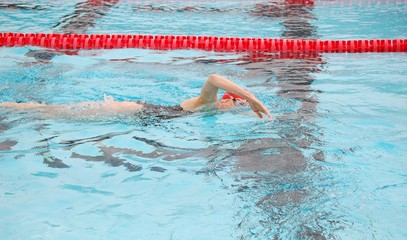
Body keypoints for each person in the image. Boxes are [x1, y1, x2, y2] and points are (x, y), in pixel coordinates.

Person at [0, 74, 271, 119]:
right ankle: (6, 106)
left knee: (56, 115)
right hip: (134, 111)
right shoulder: (208, 102)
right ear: (229, 99)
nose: (233, 107)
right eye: (237, 103)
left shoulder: (211, 112)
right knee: (54, 112)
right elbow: (213, 78)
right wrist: (253, 98)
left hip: (142, 116)